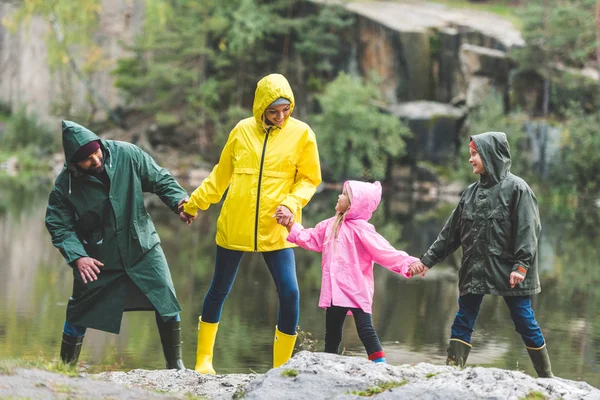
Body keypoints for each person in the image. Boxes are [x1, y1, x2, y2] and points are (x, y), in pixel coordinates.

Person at [181, 73, 322, 373]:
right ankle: (204, 361)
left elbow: (310, 179)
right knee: (219, 289)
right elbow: (221, 176)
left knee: (291, 293)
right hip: (236, 224)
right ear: (260, 108)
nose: (280, 116)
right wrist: (194, 205)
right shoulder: (241, 131)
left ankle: (281, 368)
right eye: (273, 111)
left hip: (277, 227)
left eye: (285, 109)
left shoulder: (302, 134)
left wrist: (291, 203)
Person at [45, 121, 190, 369]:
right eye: (87, 159)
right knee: (79, 312)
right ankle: (64, 370)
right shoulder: (64, 186)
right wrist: (77, 256)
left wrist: (179, 201)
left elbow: (160, 179)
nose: (95, 159)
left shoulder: (127, 154)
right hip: (97, 258)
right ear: (74, 163)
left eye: (96, 152)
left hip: (142, 248)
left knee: (166, 300)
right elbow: (58, 225)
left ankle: (175, 367)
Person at [409, 132, 554, 378]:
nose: (471, 159)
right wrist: (426, 261)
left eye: (474, 154)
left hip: (510, 271)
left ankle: (547, 377)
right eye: (470, 154)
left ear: (490, 155)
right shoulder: (469, 194)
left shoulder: (518, 189)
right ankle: (452, 374)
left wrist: (521, 266)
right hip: (475, 268)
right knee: (463, 319)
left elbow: (528, 230)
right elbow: (450, 234)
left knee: (524, 321)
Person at [279, 180, 419, 363]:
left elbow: (385, 252)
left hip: (356, 290)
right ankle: (328, 365)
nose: (339, 196)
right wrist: (291, 224)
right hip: (334, 291)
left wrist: (409, 263)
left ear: (354, 205)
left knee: (366, 330)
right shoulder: (329, 225)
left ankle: (381, 367)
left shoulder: (363, 230)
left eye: (344, 194)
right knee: (332, 334)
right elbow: (310, 237)